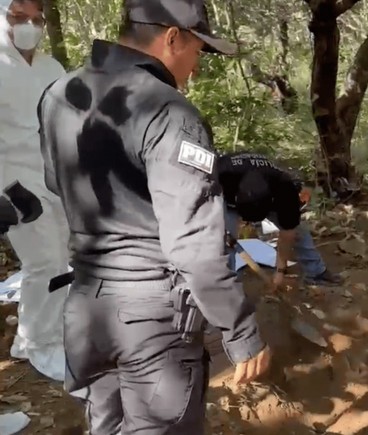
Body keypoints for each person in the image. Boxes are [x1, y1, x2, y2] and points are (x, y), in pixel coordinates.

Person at [37, 0, 271, 432]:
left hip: (87, 309)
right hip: (153, 320)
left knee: (104, 426)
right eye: (198, 52)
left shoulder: (58, 94)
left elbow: (57, 183)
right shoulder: (169, 111)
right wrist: (239, 330)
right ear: (172, 37)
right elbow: (192, 242)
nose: (196, 68)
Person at [0, 0, 70, 382]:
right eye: (17, 16)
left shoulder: (50, 67)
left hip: (53, 179)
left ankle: (30, 337)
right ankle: (44, 346)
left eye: (35, 18)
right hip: (13, 186)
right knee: (45, 262)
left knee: (58, 260)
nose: (28, 24)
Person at [217, 152, 344, 287]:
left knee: (298, 231)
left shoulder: (285, 189)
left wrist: (280, 271)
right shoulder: (219, 174)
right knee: (221, 240)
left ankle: (316, 273)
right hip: (223, 198)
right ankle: (227, 285)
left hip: (271, 193)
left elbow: (288, 233)